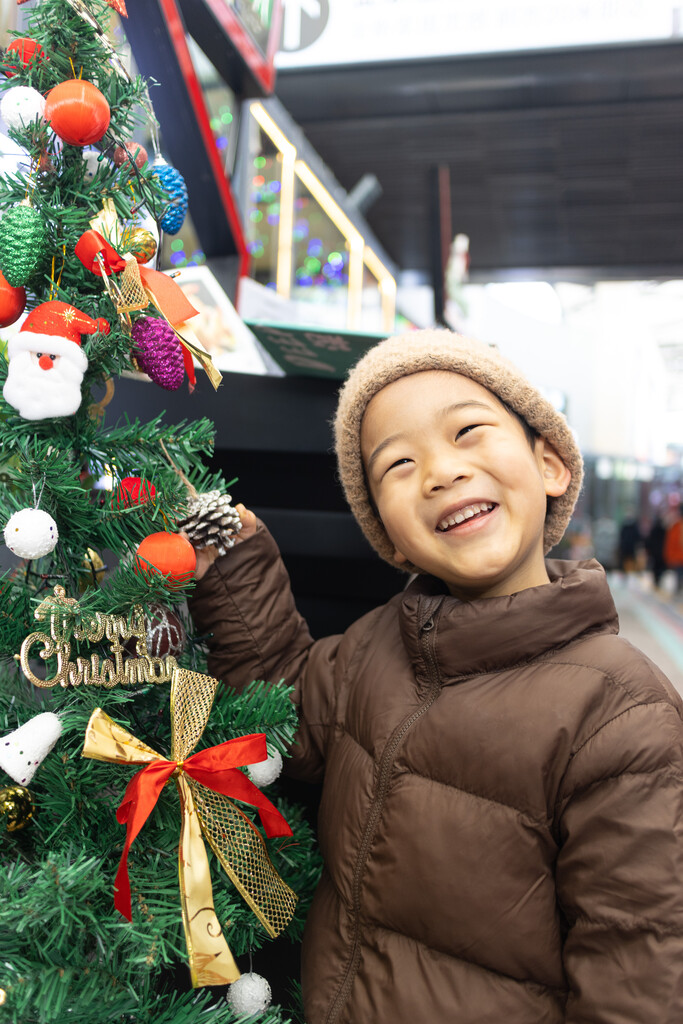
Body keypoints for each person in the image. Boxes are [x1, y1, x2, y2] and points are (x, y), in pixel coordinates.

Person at [188, 330, 683, 1024]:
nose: (441, 472)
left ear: (549, 464)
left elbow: (639, 962)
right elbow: (279, 719)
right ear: (386, 536)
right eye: (397, 464)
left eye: (468, 432)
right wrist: (234, 560)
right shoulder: (369, 649)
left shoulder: (617, 709)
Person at [664, 503, 683, 596]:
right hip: (678, 560)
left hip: (677, 560)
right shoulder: (675, 527)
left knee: (678, 584)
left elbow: (670, 544)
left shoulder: (675, 527)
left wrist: (670, 557)